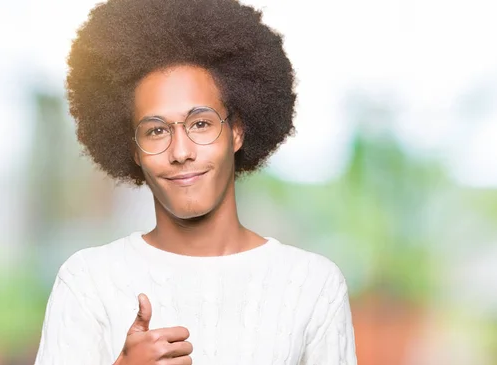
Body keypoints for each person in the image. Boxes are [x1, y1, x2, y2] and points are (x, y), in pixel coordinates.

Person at [33, 0, 357, 364]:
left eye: (200, 123)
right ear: (135, 151)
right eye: (156, 131)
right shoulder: (87, 282)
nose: (181, 151)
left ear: (236, 131)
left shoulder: (313, 287)